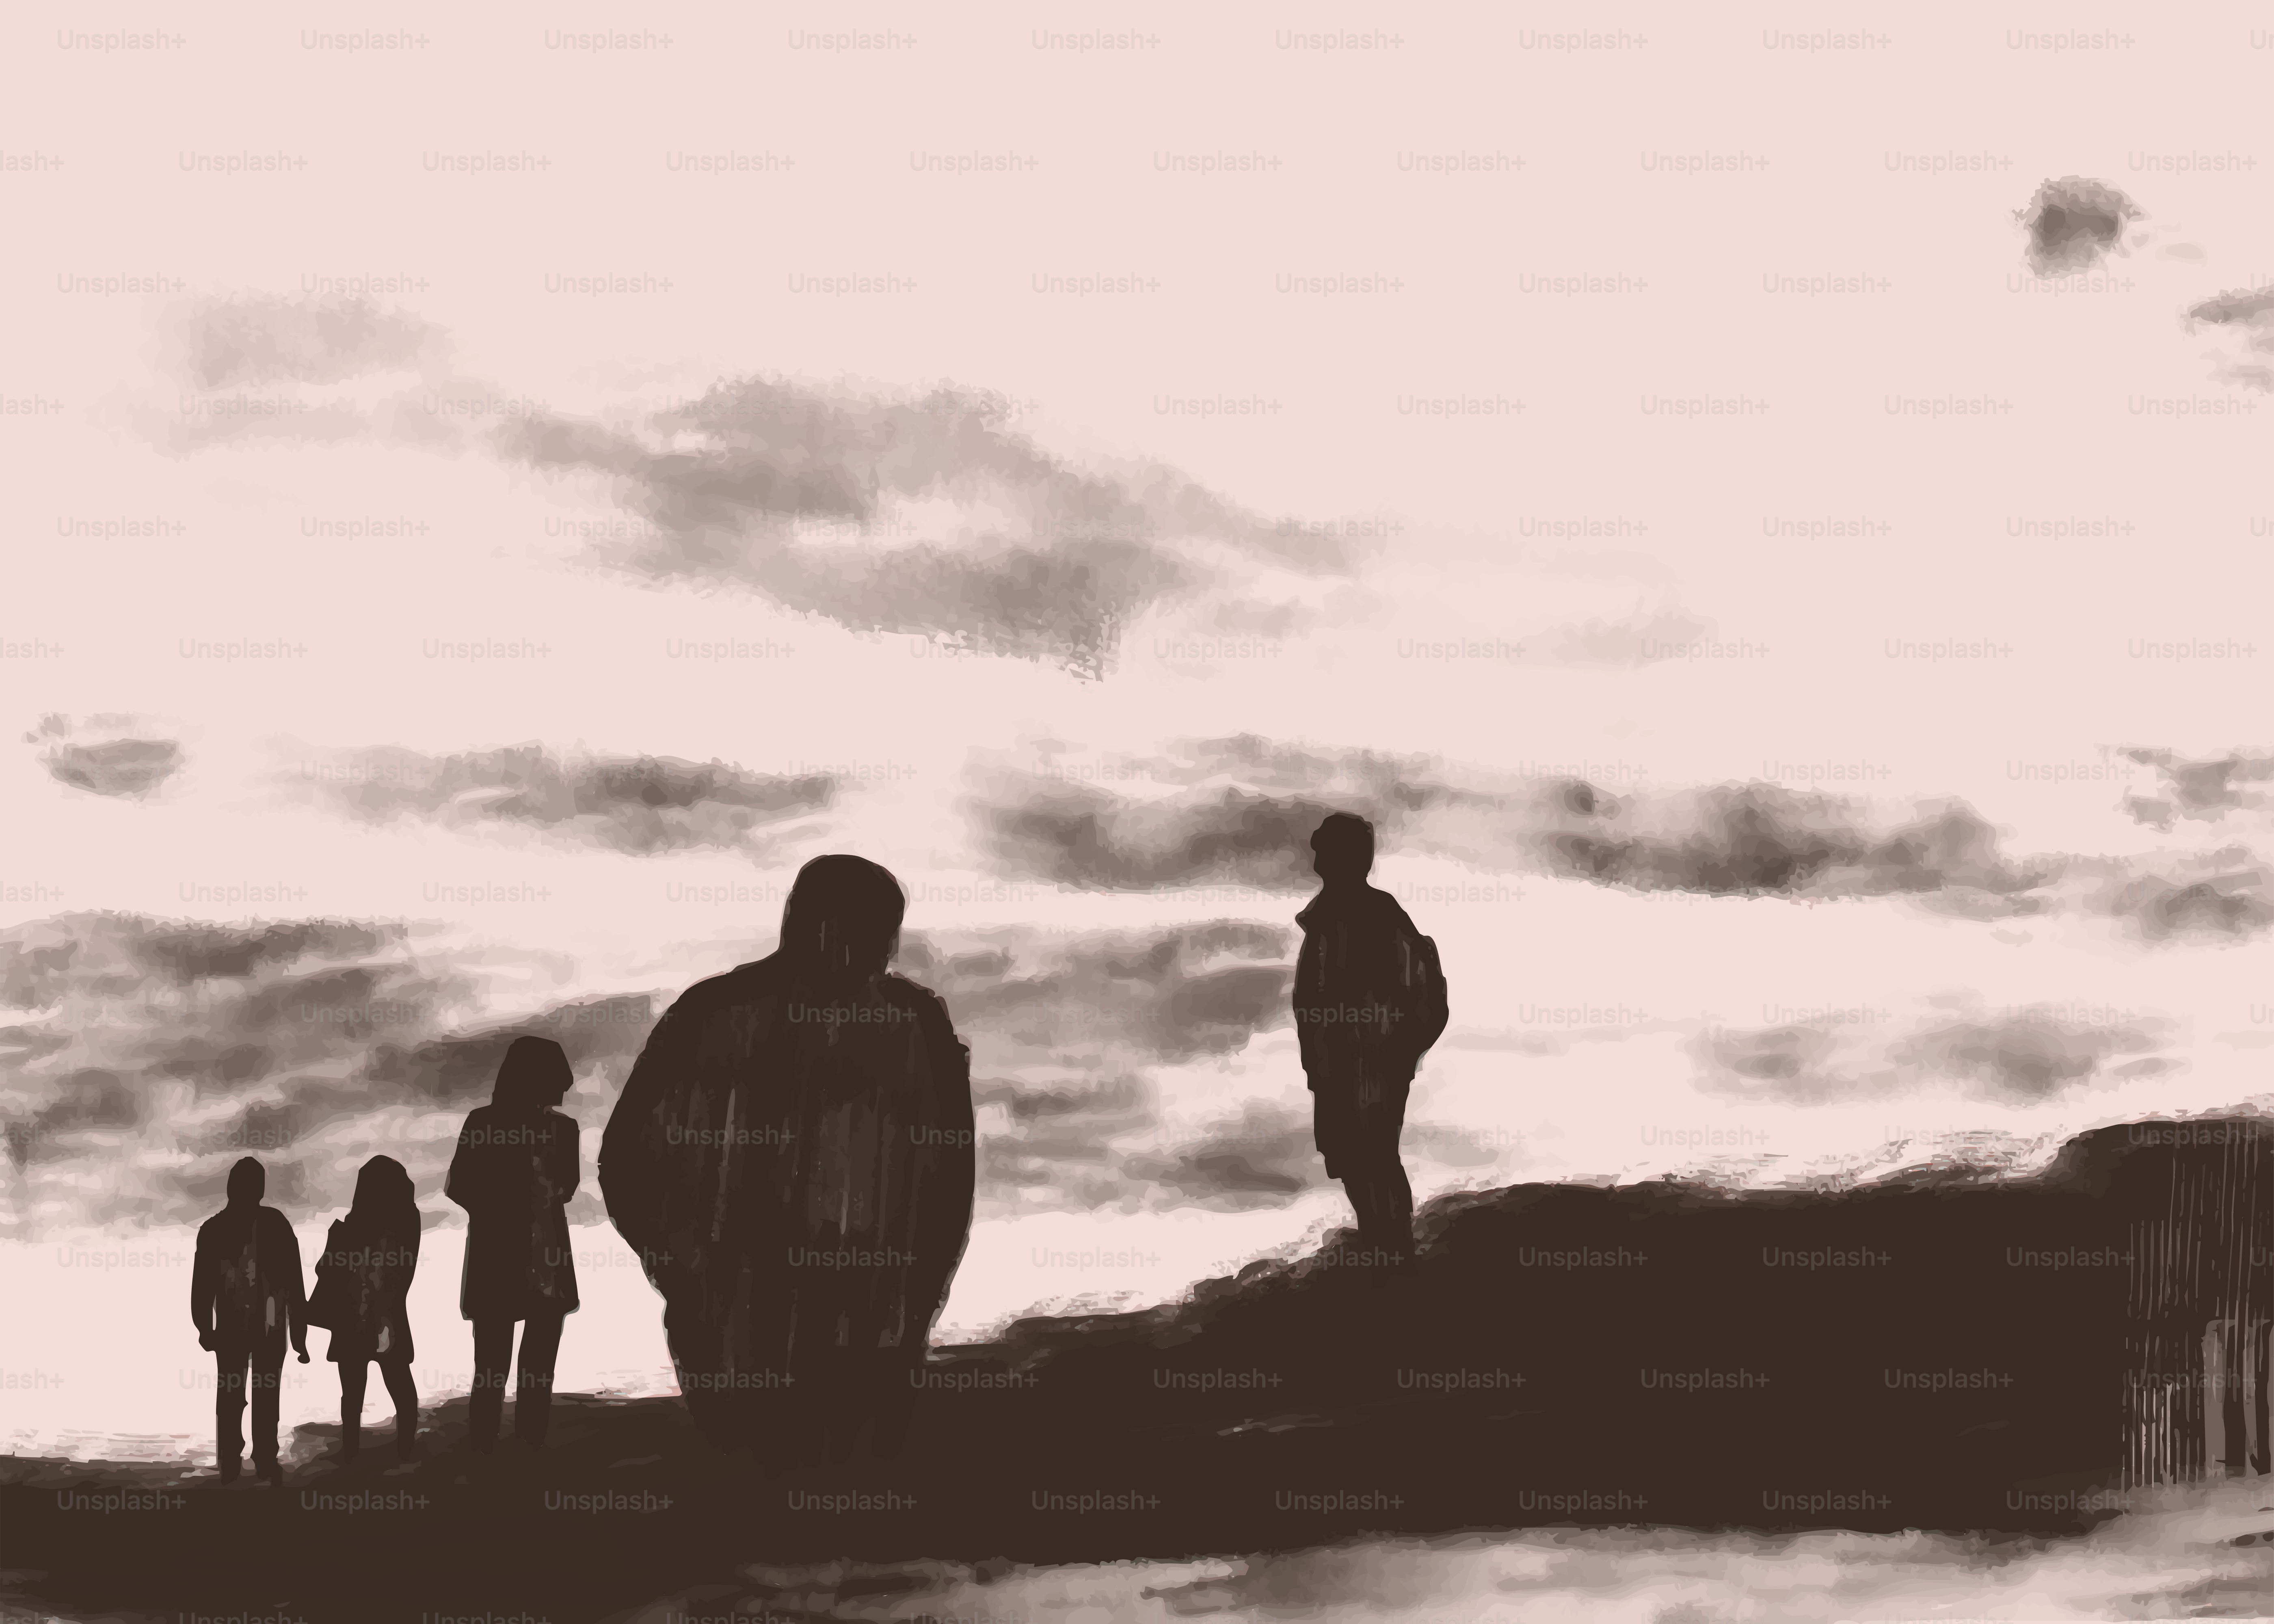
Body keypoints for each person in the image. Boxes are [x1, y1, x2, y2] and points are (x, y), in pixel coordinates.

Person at [601, 854, 975, 1467]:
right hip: (742, 1304)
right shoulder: (711, 1015)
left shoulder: (918, 1023)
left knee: (844, 1475)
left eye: (886, 931)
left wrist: (921, 1291)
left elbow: (951, 1172)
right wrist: (683, 1269)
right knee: (759, 1470)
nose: (882, 948)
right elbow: (626, 1160)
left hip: (868, 1305)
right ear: (812, 923)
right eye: (868, 929)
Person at [1293, 813, 1449, 1277]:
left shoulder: (1374, 914)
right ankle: (1383, 1253)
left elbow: (1419, 993)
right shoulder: (1329, 916)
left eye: (1325, 847)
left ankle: (1393, 1260)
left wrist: (1393, 1054)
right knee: (1351, 1160)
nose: (1316, 855)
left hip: (1366, 1066)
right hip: (1337, 1067)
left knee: (1373, 1161)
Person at [445, 1037, 580, 1452]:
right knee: (493, 1365)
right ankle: (489, 1444)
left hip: (541, 1260)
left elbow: (567, 1185)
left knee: (531, 1367)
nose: (563, 1086)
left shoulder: (562, 1128)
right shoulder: (484, 1124)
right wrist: (510, 1205)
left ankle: (524, 1443)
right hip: (503, 1261)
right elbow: (460, 1185)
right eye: (556, 1077)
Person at [190, 1157, 308, 1484]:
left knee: (248, 1397)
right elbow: (203, 1285)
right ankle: (242, 1461)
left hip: (260, 1328)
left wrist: (205, 1328)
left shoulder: (225, 1228)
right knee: (245, 1397)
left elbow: (293, 1282)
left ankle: (249, 1461)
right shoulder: (225, 1229)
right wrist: (204, 1327)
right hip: (245, 1329)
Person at [309, 1155, 422, 1462]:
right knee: (393, 1387)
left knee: (359, 1391)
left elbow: (326, 1269)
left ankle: (355, 1454)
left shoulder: (364, 1226)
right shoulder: (406, 1222)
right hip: (383, 1318)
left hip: (363, 1319)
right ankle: (401, 1451)